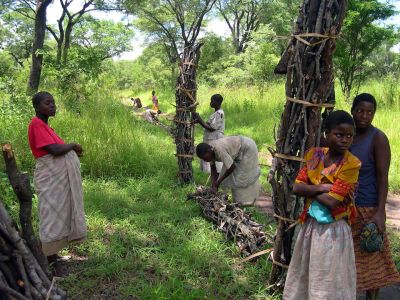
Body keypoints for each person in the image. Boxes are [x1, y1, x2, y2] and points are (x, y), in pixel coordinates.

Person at [283, 110, 361, 300]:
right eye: (339, 134)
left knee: (329, 278)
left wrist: (310, 187)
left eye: (349, 136)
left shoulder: (351, 164)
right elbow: (296, 188)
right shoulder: (315, 155)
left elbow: (332, 201)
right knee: (308, 274)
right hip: (311, 225)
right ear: (327, 134)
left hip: (334, 229)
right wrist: (323, 187)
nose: (345, 140)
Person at [349, 93, 400, 300]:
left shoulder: (377, 138)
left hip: (368, 207)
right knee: (349, 258)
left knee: (373, 259)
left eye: (369, 112)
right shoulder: (345, 133)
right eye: (360, 111)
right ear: (352, 110)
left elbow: (382, 176)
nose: (364, 116)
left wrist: (380, 212)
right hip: (345, 207)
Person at [28, 91, 87, 267]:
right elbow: (54, 150)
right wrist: (73, 146)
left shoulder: (45, 126)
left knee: (58, 213)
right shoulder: (36, 124)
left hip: (57, 180)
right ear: (37, 107)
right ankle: (47, 258)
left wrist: (70, 152)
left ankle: (53, 255)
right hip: (50, 178)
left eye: (53, 102)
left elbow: (56, 149)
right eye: (48, 103)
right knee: (51, 214)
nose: (52, 105)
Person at [195, 135, 260, 206]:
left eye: (205, 158)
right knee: (235, 178)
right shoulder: (210, 152)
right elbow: (213, 169)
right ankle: (239, 201)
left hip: (247, 148)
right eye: (203, 159)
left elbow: (231, 167)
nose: (205, 160)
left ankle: (248, 202)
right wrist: (213, 184)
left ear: (209, 151)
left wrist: (218, 182)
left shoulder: (219, 150)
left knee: (243, 177)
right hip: (238, 153)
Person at [193, 94, 225, 173]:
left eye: (212, 101)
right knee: (209, 154)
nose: (210, 102)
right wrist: (198, 121)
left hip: (215, 139)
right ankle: (209, 172)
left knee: (213, 154)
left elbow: (211, 128)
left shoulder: (219, 113)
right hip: (211, 138)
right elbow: (207, 124)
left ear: (217, 102)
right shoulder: (215, 113)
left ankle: (216, 172)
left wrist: (199, 119)